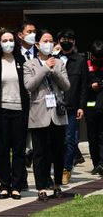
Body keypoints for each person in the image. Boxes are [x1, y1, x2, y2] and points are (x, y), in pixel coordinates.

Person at [0, 29, 29, 200]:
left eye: (11, 39)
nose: (8, 42)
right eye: (4, 40)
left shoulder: (22, 60)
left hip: (19, 111)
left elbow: (29, 87)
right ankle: (4, 185)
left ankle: (16, 186)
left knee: (18, 150)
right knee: (1, 150)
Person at [24, 29, 70, 201]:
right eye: (45, 40)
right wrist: (44, 69)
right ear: (37, 44)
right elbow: (29, 85)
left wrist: (54, 70)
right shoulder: (30, 64)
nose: (49, 44)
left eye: (51, 40)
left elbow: (66, 86)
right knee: (40, 154)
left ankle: (57, 185)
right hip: (38, 114)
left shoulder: (60, 63)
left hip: (57, 115)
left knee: (58, 152)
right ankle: (41, 188)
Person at [56, 29, 88, 185]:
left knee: (69, 139)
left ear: (74, 42)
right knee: (55, 140)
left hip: (72, 106)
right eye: (63, 38)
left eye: (69, 39)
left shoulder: (80, 61)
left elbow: (83, 86)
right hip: (54, 106)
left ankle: (66, 169)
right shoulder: (53, 58)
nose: (66, 41)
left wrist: (82, 106)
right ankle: (56, 168)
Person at [16, 20, 37, 190]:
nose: (32, 34)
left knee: (40, 143)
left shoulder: (42, 53)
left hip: (40, 103)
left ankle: (42, 179)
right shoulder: (14, 54)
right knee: (20, 142)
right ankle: (21, 178)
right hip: (20, 103)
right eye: (29, 31)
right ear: (20, 35)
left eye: (34, 31)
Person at [84, 39, 103, 175]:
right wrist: (91, 86)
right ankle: (96, 163)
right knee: (92, 136)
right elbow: (80, 84)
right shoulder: (85, 64)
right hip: (90, 104)